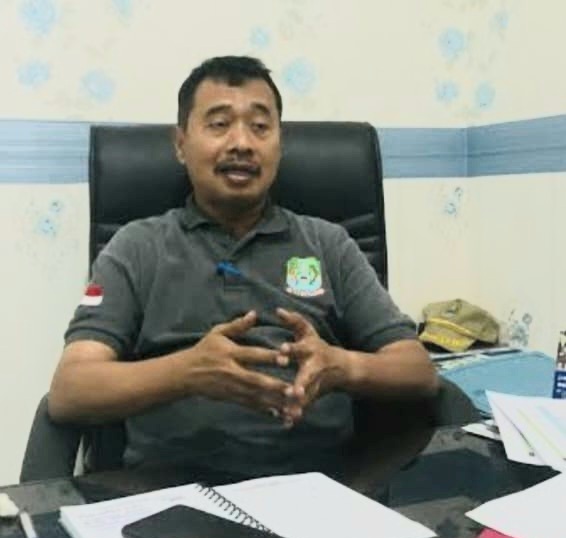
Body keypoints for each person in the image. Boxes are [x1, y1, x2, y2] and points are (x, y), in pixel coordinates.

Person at [48, 56, 438, 479]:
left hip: (319, 487)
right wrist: (186, 373)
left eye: (260, 126)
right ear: (180, 144)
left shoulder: (328, 243)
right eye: (219, 124)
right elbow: (70, 390)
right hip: (169, 494)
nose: (242, 143)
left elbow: (417, 370)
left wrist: (343, 366)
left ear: (279, 144)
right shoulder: (137, 247)